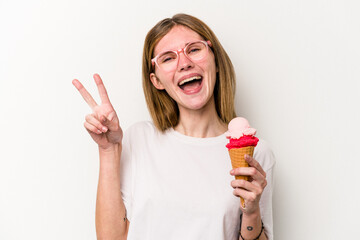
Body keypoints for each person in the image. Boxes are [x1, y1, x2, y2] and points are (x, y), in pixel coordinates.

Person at [73, 13, 275, 240]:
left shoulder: (257, 153)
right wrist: (108, 150)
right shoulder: (140, 139)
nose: (185, 63)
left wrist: (252, 213)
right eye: (168, 58)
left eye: (195, 49)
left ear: (215, 61)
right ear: (156, 80)